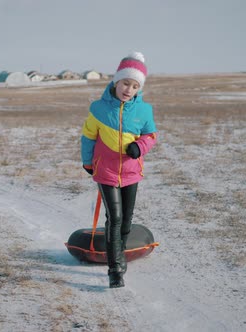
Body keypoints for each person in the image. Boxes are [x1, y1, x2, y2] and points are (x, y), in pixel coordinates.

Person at [80, 52, 158, 288]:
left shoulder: (144, 111)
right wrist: (87, 162)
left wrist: (140, 146)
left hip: (131, 172)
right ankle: (115, 269)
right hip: (106, 172)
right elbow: (88, 137)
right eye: (125, 83)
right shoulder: (98, 108)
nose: (128, 89)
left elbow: (151, 135)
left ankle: (120, 252)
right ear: (116, 81)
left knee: (126, 221)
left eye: (134, 86)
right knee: (114, 219)